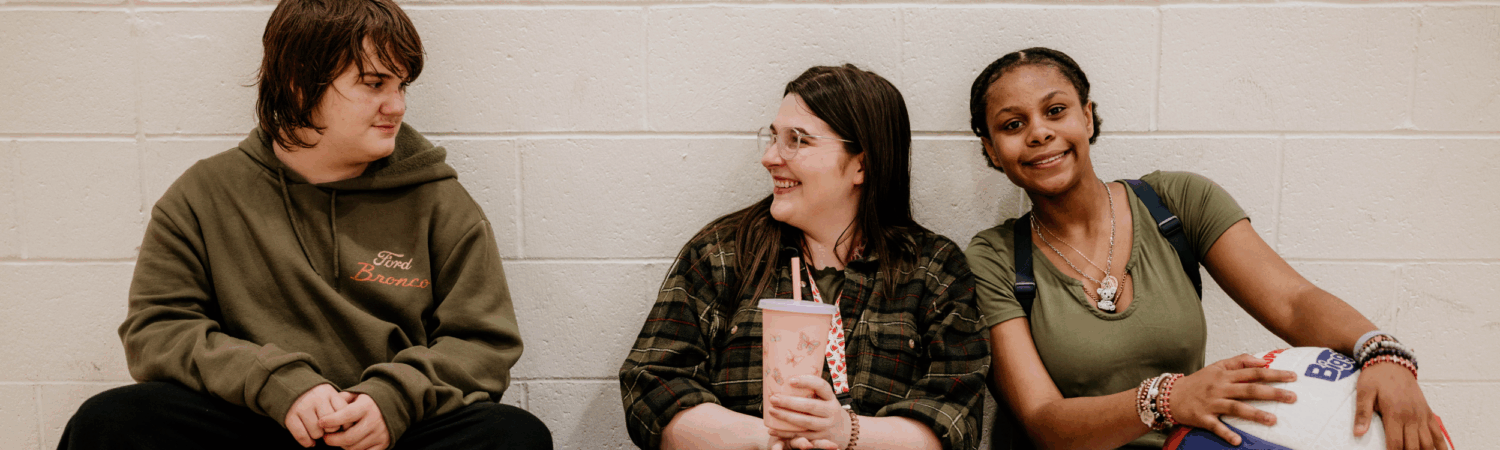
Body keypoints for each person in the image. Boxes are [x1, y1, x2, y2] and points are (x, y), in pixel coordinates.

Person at [56, 0, 551, 448]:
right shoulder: (203, 195)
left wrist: (391, 400)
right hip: (259, 421)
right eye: (375, 83)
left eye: (401, 85)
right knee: (110, 422)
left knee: (515, 438)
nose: (397, 105)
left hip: (394, 433)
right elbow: (156, 330)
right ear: (299, 83)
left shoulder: (440, 200)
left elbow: (486, 343)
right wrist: (278, 384)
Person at [964, 47, 1444, 450]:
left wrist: (1379, 352)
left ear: (1087, 117)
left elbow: (1292, 303)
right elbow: (1044, 420)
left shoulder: (1175, 202)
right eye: (1012, 125)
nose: (1039, 133)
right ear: (991, 149)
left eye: (1055, 111)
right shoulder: (993, 257)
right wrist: (1164, 399)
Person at [619, 65, 989, 450]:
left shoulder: (934, 268)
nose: (769, 157)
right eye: (774, 137)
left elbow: (955, 420)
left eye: (798, 140)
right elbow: (650, 386)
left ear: (861, 164)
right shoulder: (722, 253)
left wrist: (846, 434)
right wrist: (770, 439)